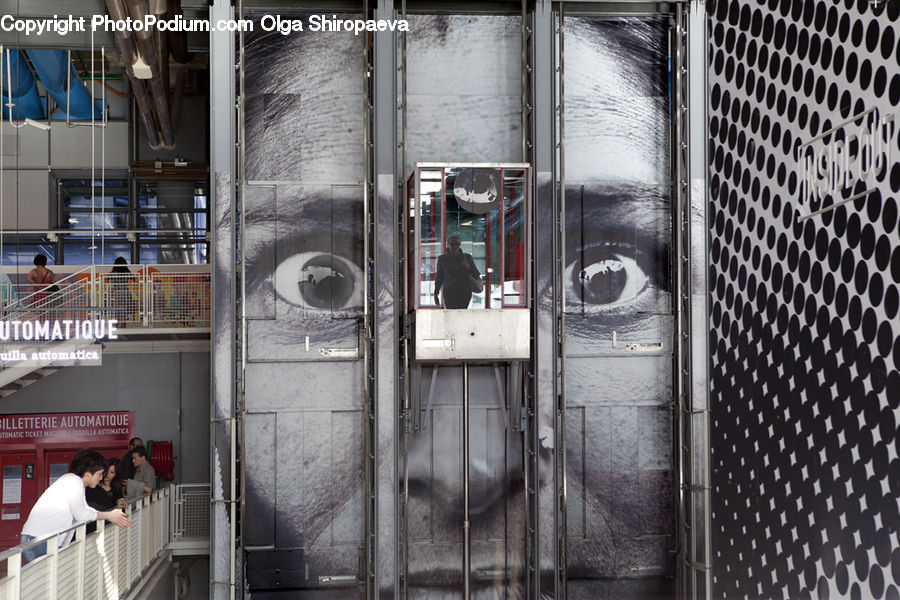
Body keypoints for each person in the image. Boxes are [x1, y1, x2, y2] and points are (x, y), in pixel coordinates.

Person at [20, 449, 131, 562]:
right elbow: (81, 515)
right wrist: (109, 516)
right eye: (100, 474)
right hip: (39, 540)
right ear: (88, 474)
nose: (101, 478)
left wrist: (110, 515)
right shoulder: (74, 482)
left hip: (39, 539)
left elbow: (85, 511)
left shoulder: (73, 481)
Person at [433, 235, 481, 309]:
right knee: (452, 314)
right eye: (452, 244)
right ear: (448, 244)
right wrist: (436, 293)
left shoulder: (467, 257)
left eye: (457, 244)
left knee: (462, 314)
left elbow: (476, 274)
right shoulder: (443, 259)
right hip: (449, 292)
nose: (455, 246)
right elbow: (439, 277)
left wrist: (467, 268)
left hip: (464, 291)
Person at [109, 257, 136, 324]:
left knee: (117, 309)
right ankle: (123, 323)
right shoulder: (127, 272)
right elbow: (134, 279)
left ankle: (116, 323)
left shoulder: (113, 272)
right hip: (125, 292)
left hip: (116, 292)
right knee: (124, 309)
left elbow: (106, 279)